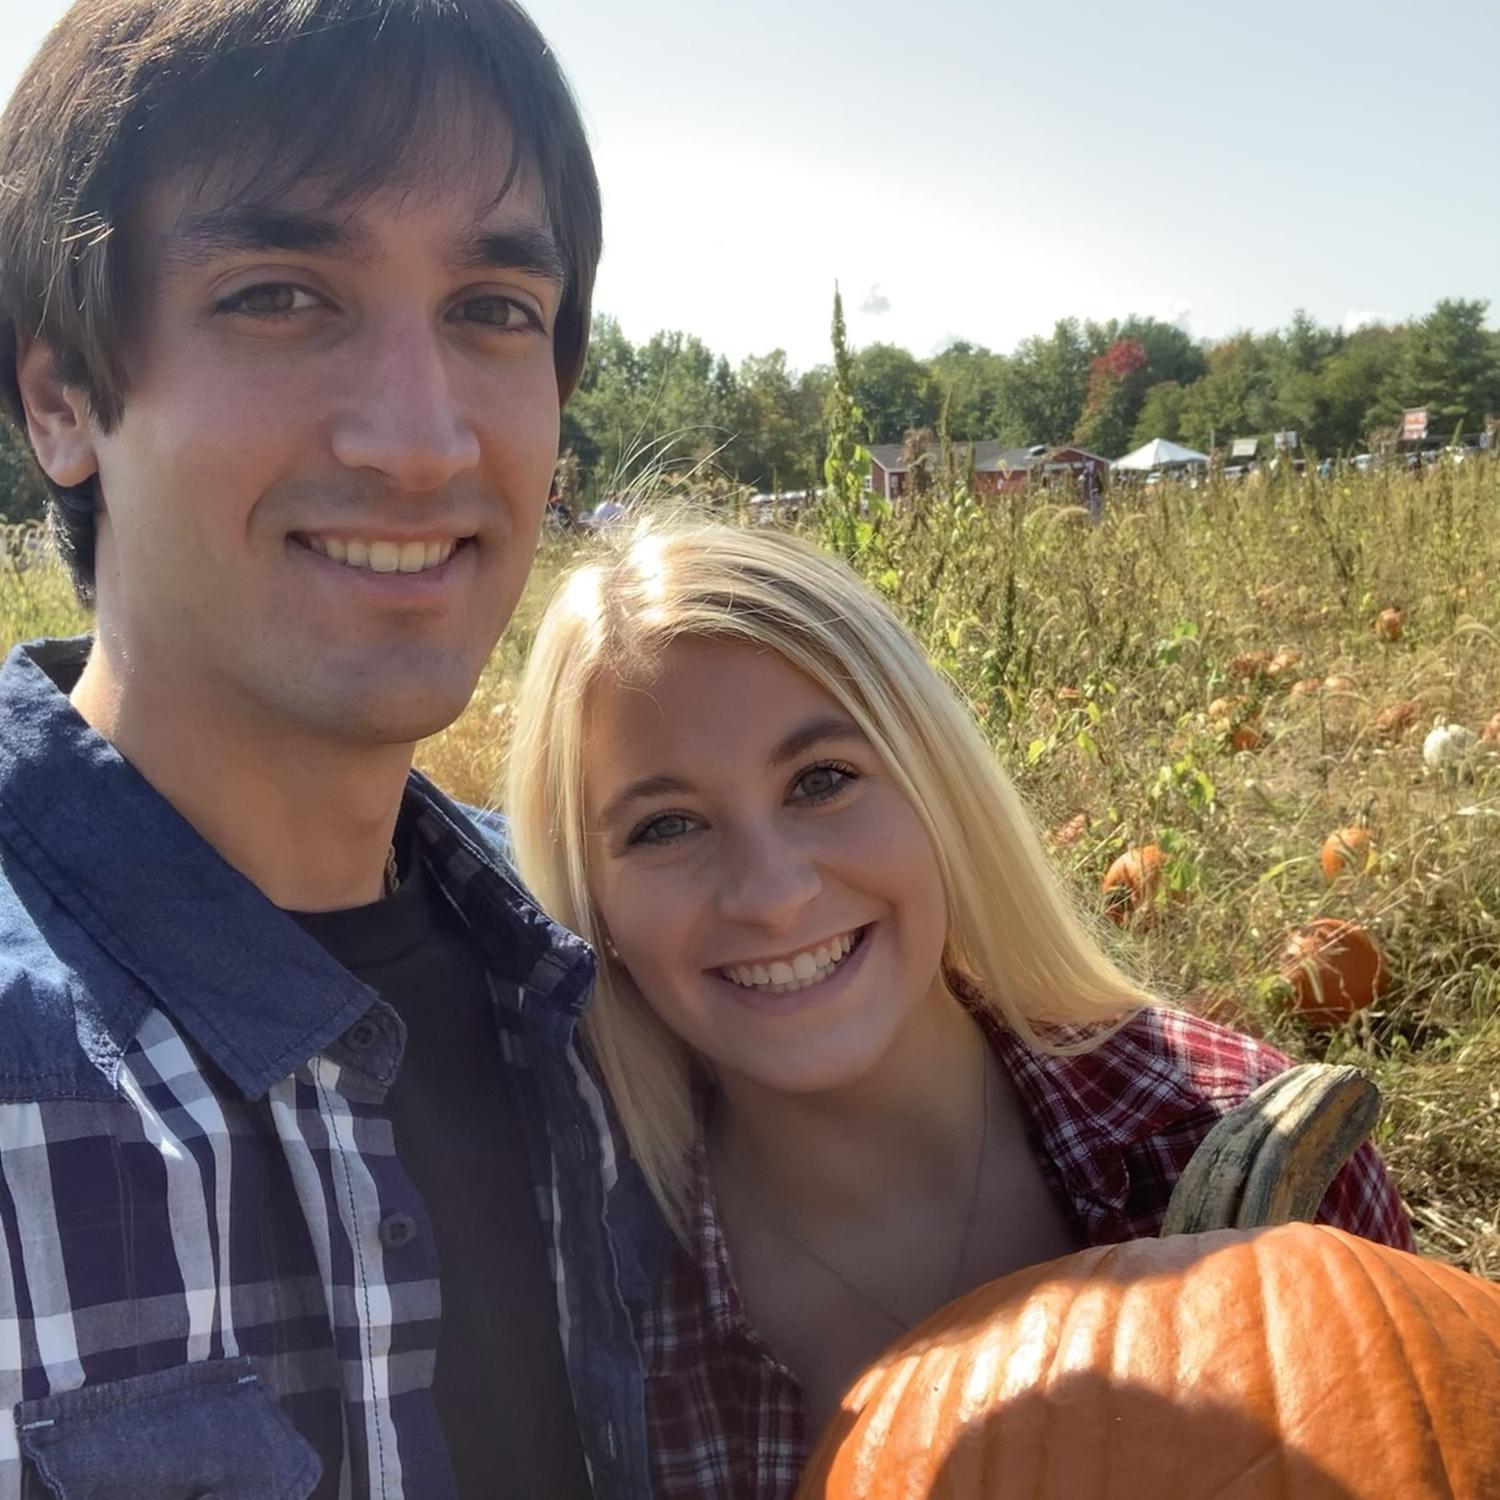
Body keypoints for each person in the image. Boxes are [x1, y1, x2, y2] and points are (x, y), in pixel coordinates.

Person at [0, 2, 659, 1495]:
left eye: (493, 308)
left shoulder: (611, 961)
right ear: (59, 398)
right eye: (283, 294)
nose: (421, 441)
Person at [504, 518, 1414, 1499]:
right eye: (665, 825)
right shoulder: (580, 1294)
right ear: (593, 903)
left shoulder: (1251, 1168)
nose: (770, 893)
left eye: (822, 781)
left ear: (937, 787)